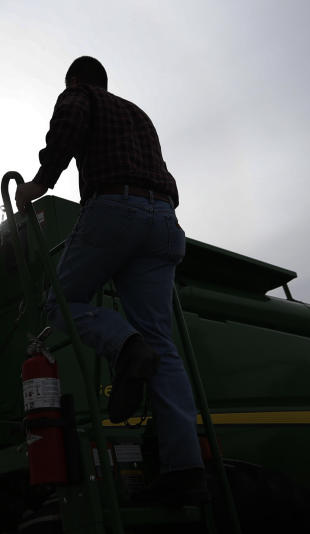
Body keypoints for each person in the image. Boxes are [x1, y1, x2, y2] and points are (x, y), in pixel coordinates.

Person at [14, 56, 206, 504]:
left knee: (60, 303)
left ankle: (124, 347)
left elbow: (66, 131)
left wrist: (37, 184)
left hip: (115, 209)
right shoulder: (139, 114)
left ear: (77, 79)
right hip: (165, 221)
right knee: (163, 341)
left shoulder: (79, 96)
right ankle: (186, 468)